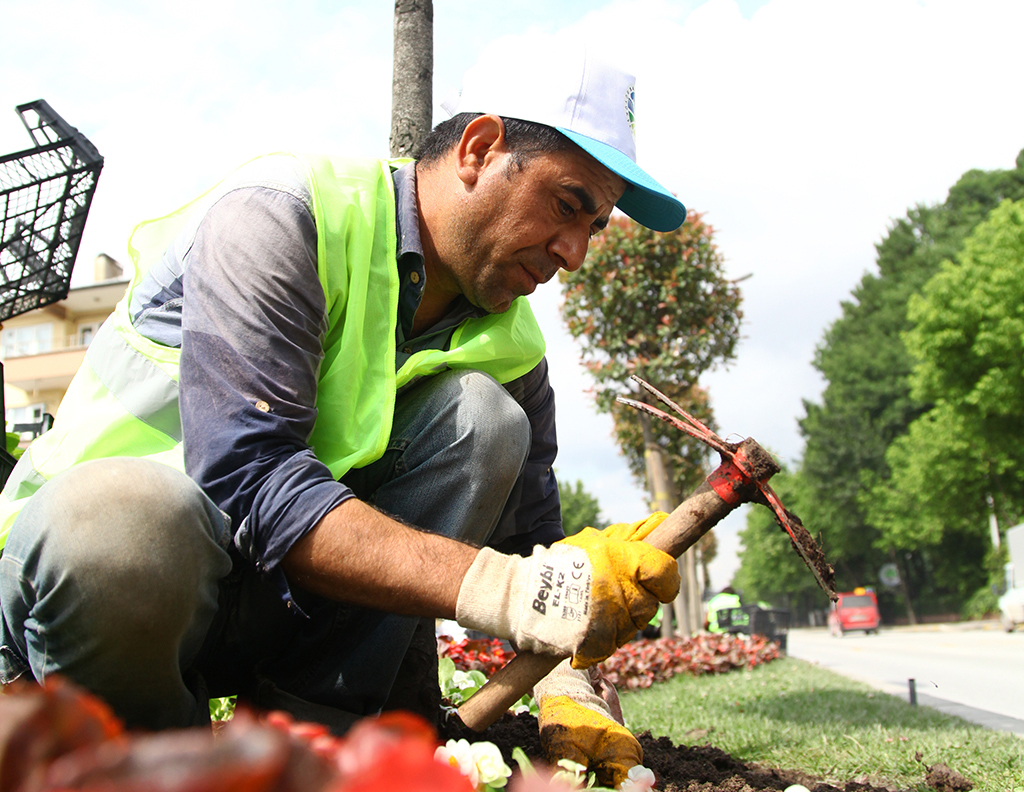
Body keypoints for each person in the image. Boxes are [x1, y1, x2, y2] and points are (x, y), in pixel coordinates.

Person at [0, 38, 687, 786]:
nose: (576, 252)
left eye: (596, 226)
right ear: (480, 148)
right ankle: (147, 762)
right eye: (568, 206)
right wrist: (510, 594)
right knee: (122, 515)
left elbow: (533, 547)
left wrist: (566, 687)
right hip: (88, 593)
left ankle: (315, 753)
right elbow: (252, 479)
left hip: (252, 603)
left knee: (485, 420)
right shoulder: (284, 216)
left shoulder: (509, 343)